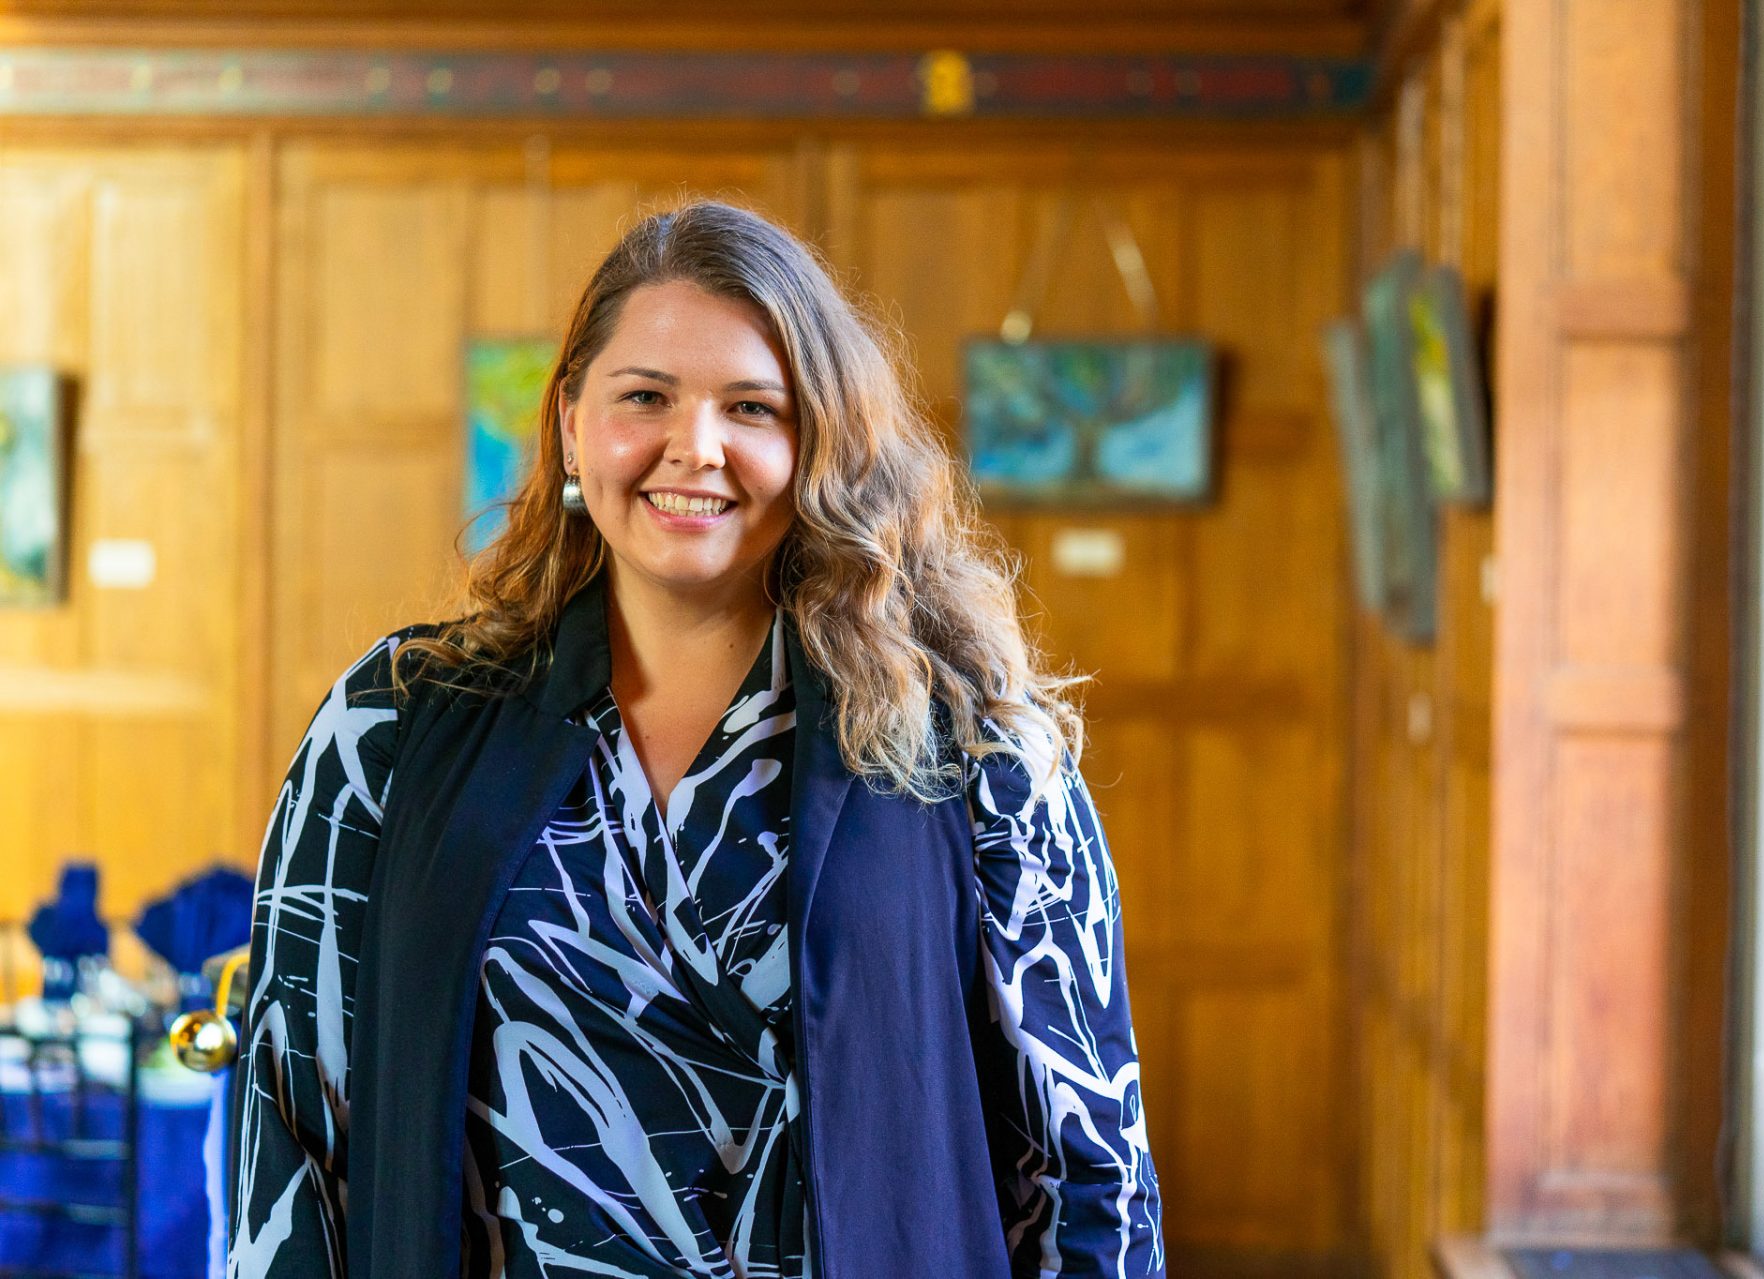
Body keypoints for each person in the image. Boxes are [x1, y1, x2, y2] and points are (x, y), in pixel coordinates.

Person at [227, 199, 1164, 1279]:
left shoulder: (975, 750)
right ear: (575, 420)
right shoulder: (391, 724)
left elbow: (1090, 1170)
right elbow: (292, 1121)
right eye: (647, 397)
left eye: (753, 407)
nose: (697, 447)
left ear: (820, 443)